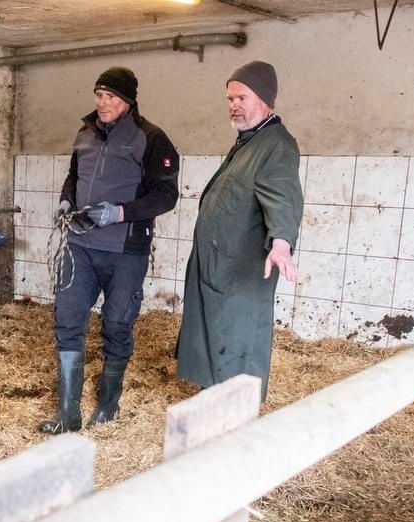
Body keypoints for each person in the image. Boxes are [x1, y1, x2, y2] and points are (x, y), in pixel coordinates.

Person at [39, 66, 179, 433]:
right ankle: (67, 413)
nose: (102, 103)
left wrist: (120, 213)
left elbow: (166, 195)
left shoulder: (151, 138)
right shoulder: (84, 134)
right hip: (80, 244)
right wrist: (67, 200)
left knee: (117, 322)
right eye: (99, 96)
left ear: (128, 101)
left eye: (111, 97)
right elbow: (75, 175)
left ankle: (108, 405)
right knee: (68, 320)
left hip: (125, 249)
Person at [175, 60, 303, 399]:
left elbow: (283, 195)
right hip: (222, 264)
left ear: (264, 100)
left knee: (237, 340)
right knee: (216, 336)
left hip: (240, 269)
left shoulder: (275, 145)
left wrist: (281, 242)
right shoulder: (249, 141)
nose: (233, 105)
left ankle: (233, 413)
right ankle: (213, 399)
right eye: (230, 98)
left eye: (241, 98)